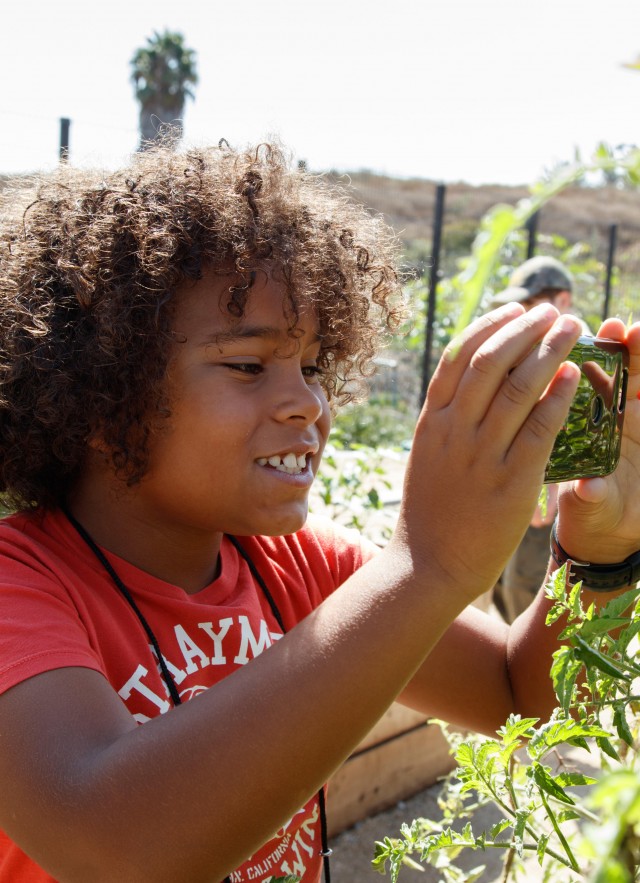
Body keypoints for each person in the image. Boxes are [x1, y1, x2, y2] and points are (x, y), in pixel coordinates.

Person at [0, 142, 638, 883]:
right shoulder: (21, 587)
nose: (308, 402)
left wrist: (598, 553)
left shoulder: (301, 564)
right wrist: (425, 564)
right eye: (248, 365)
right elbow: (113, 846)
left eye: (311, 366)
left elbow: (518, 694)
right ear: (101, 395)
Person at [490, 255, 591, 622]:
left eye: (534, 303)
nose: (527, 313)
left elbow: (577, 432)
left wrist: (550, 490)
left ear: (562, 300)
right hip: (522, 482)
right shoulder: (540, 348)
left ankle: (537, 673)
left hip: (549, 490)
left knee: (527, 583)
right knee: (503, 581)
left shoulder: (582, 352)